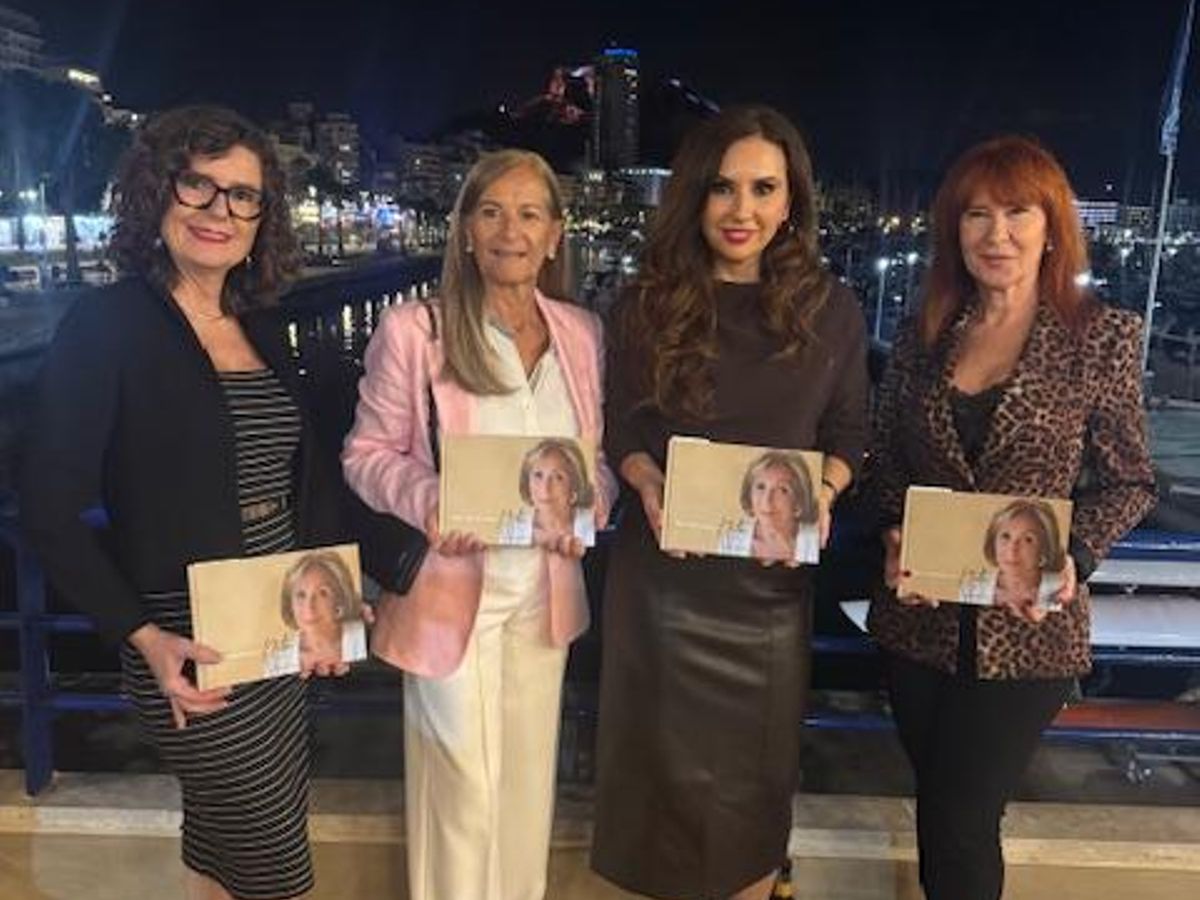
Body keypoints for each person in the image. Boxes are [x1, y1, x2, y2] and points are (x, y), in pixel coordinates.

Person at [18, 105, 387, 899]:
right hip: (189, 644)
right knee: (276, 870)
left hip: (279, 624)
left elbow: (305, 477)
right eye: (200, 186)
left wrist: (339, 608)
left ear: (264, 216)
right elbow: (48, 504)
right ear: (160, 192)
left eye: (243, 196)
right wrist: (143, 636)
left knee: (224, 846)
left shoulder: (259, 320)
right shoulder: (107, 325)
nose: (221, 211)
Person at [865, 136, 1156, 900]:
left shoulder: (1103, 336)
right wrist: (895, 533)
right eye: (977, 215)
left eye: (1018, 212)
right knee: (943, 813)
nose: (997, 235)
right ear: (953, 231)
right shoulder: (922, 333)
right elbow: (886, 461)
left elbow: (1130, 481)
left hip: (1029, 630)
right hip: (919, 623)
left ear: (1052, 224)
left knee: (960, 816)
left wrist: (1074, 557)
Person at [592, 106, 869, 900]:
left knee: (749, 813)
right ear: (693, 197)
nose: (741, 210)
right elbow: (618, 424)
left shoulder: (833, 309)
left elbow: (851, 431)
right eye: (722, 188)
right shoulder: (645, 303)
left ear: (791, 202)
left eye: (763, 188)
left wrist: (822, 491)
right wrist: (643, 480)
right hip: (663, 591)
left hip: (768, 598)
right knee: (660, 807)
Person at [341, 149, 616, 900]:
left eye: (530, 213)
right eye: (491, 211)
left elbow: (598, 461)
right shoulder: (414, 329)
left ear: (556, 234)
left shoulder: (582, 334)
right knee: (459, 789)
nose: (510, 230)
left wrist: (589, 509)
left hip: (544, 590)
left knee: (529, 785)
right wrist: (432, 502)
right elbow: (364, 455)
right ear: (464, 229)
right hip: (448, 586)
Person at [957, 499, 1066, 607]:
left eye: (1028, 540)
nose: (1012, 548)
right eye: (1006, 536)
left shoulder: (1061, 591)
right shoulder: (972, 589)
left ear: (1044, 548)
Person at [717, 450, 820, 563]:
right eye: (761, 487)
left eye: (782, 490)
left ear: (799, 502)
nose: (767, 500)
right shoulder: (730, 541)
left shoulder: (816, 543)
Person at [278, 550, 367, 671]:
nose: (309, 606)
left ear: (340, 600)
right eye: (301, 595)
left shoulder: (362, 638)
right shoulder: (278, 660)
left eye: (323, 593)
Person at [518, 437, 596, 545]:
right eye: (538, 475)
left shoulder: (591, 526)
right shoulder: (514, 530)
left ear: (574, 487)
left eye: (558, 477)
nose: (545, 488)